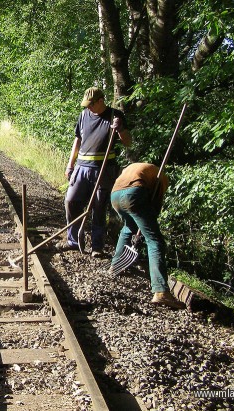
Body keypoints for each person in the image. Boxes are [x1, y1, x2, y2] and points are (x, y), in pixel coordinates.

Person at [59, 86, 132, 257]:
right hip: (82, 167)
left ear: (101, 101)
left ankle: (97, 247)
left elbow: (128, 142)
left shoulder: (115, 116)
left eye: (91, 104)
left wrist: (120, 129)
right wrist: (70, 165)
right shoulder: (84, 115)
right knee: (71, 201)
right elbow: (77, 140)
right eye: (87, 105)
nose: (88, 107)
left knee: (99, 207)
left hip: (104, 169)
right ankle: (74, 240)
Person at [109, 163, 185, 309]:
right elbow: (156, 205)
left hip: (115, 196)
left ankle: (116, 265)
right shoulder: (162, 178)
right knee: (155, 240)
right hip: (134, 194)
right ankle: (161, 291)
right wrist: (147, 226)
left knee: (128, 227)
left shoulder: (138, 169)